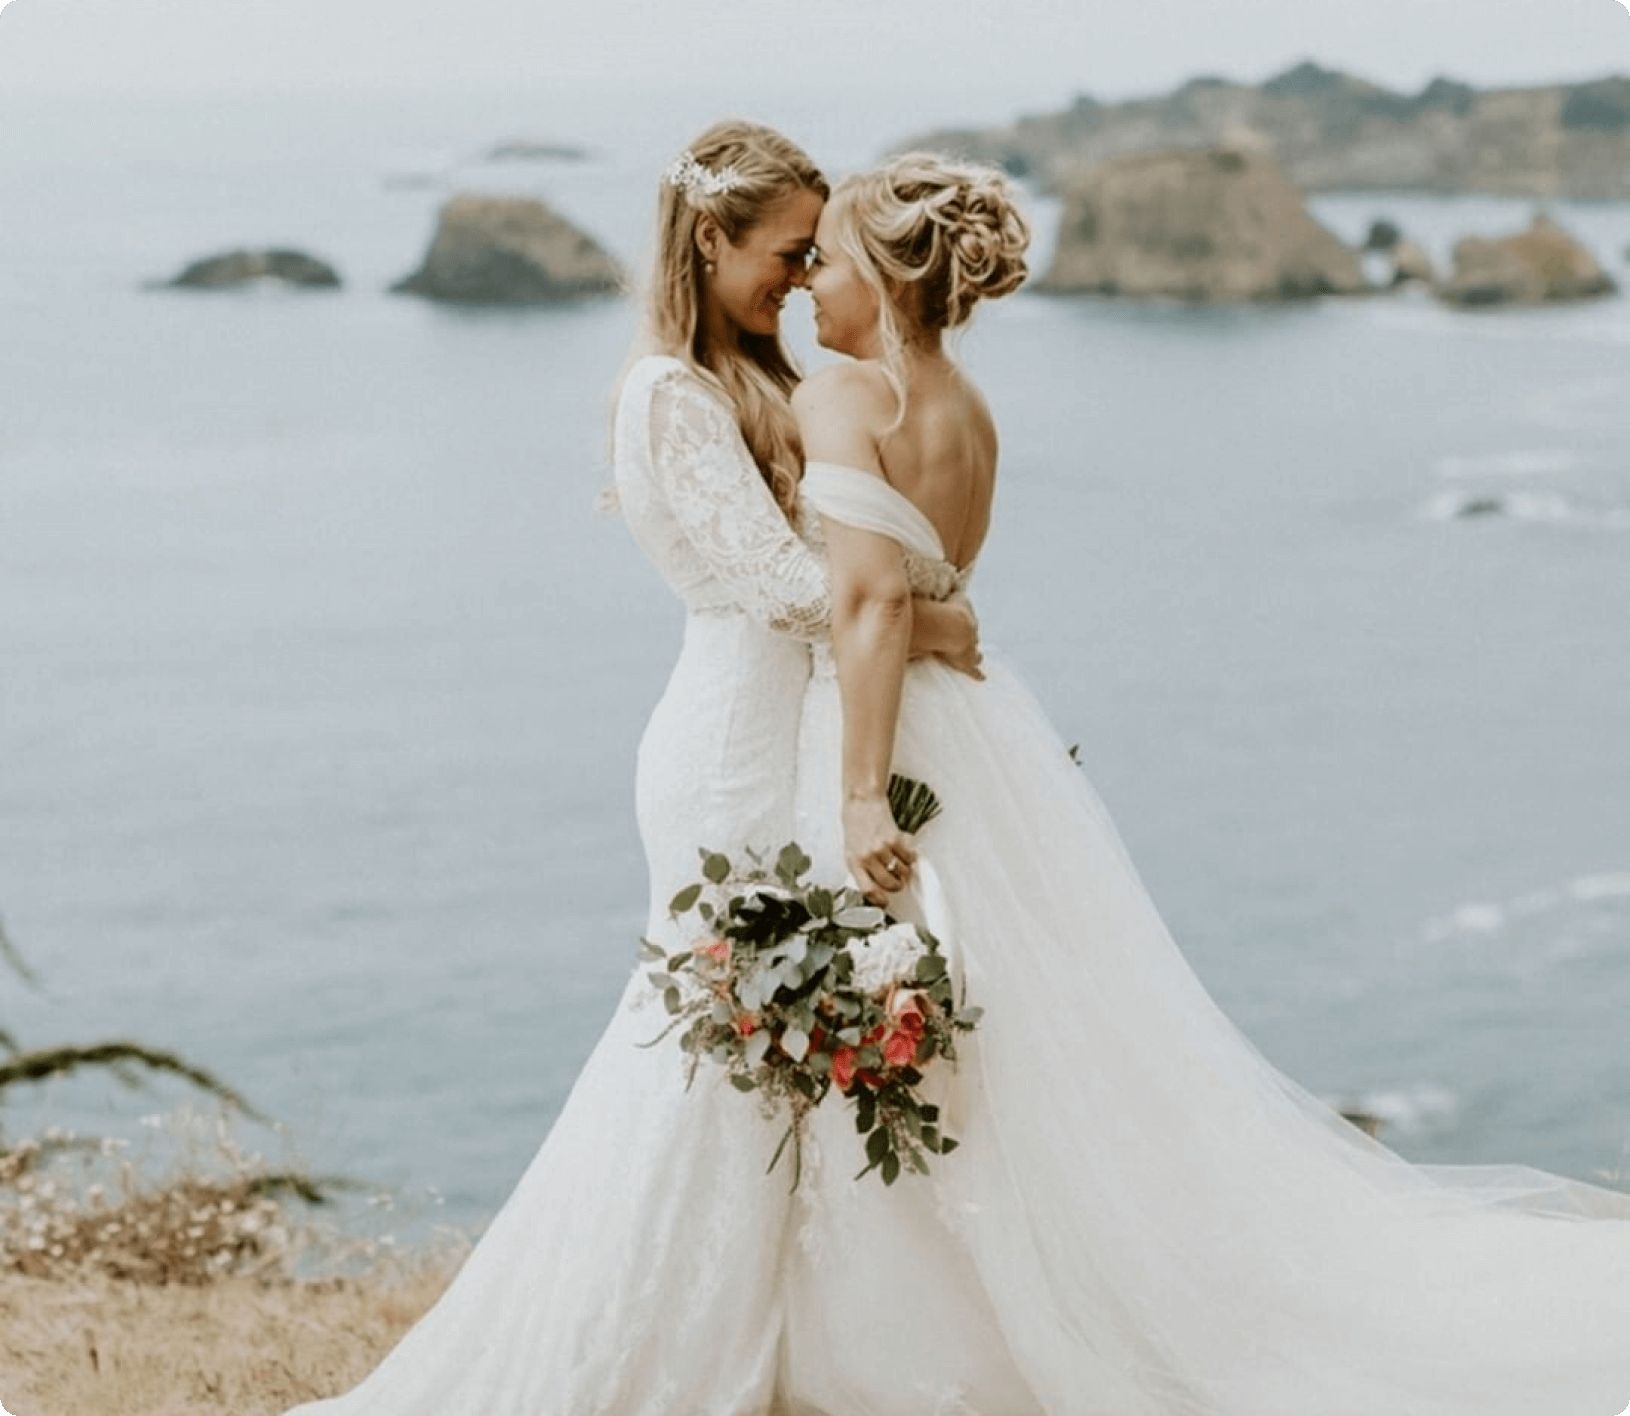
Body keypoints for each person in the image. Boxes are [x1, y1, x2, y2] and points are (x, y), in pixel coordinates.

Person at [775, 151, 1630, 1415]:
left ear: (891, 276)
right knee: (1011, 1037)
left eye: (828, 262)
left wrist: (856, 795)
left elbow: (870, 598)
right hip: (985, 736)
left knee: (919, 1022)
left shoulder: (849, 398)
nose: (809, 286)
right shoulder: (970, 410)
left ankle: (940, 1324)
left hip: (895, 742)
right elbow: (946, 597)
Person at [277, 121, 979, 1415]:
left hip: (798, 732)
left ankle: (785, 1345)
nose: (799, 275)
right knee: (706, 1055)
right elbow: (776, 585)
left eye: (814, 254)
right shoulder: (668, 394)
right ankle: (640, 1354)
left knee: (788, 1053)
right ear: (708, 238)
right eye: (784, 252)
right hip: (728, 756)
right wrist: (923, 618)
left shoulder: (764, 382)